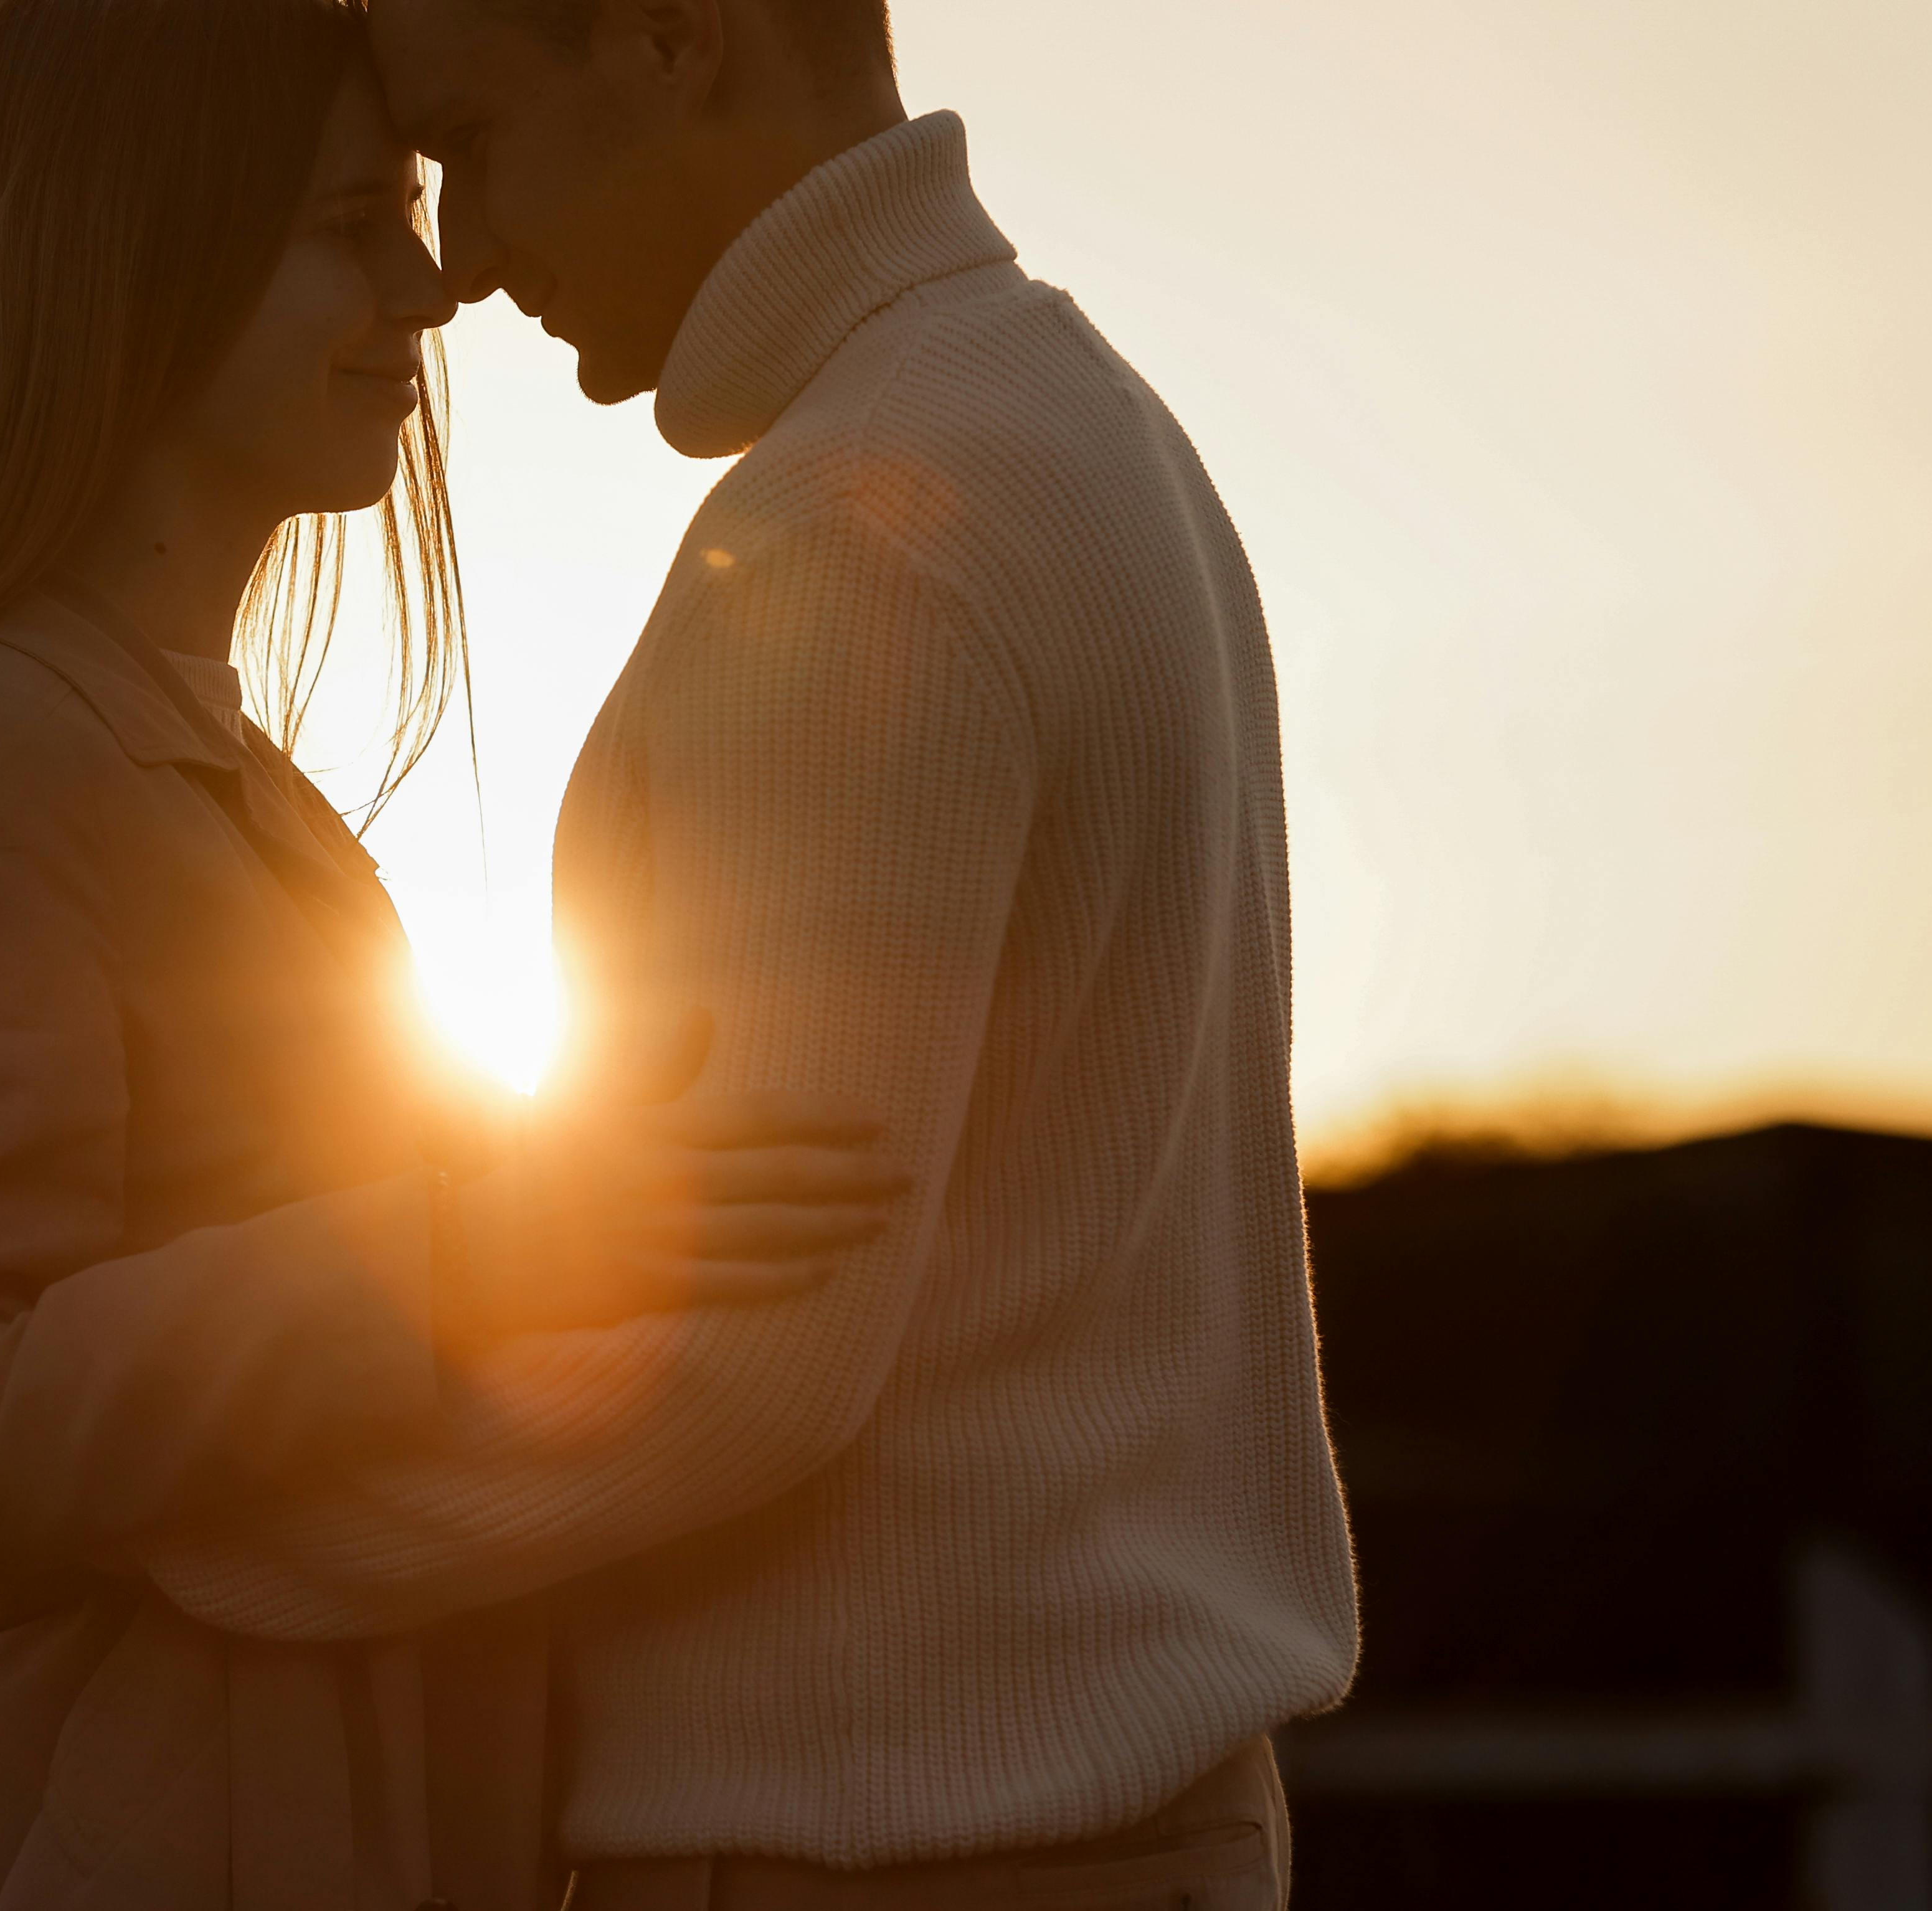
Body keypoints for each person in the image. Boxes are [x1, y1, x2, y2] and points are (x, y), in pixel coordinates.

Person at [142, 1, 1362, 1905]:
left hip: (893, 1855)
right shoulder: (1081, 426)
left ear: (666, 37)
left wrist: (201, 1562)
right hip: (1092, 1837)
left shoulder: (864, 531)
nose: (457, 258)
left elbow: (742, 1364)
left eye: (469, 134)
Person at [0, 2, 906, 1907]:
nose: (432, 285)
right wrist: (466, 1251)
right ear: (137, 269)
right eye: (353, 222)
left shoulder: (206, 773)